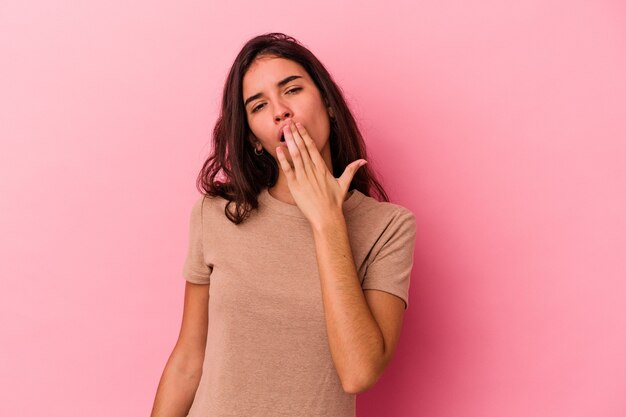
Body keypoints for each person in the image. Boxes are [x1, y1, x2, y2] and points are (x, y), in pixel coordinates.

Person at [150, 32, 417, 417]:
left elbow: (359, 373)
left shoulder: (388, 227)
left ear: (327, 101)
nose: (280, 111)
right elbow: (189, 359)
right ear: (256, 139)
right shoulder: (216, 215)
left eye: (291, 89)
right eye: (259, 106)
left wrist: (327, 222)